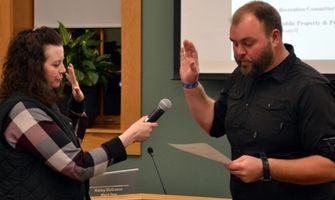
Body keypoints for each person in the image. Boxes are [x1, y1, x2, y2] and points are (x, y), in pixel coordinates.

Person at [180, 1, 335, 199]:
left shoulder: (310, 87)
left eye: (248, 43)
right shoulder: (242, 75)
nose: (239, 52)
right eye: (234, 43)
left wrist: (265, 168)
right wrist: (191, 85)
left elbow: (330, 166)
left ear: (275, 37)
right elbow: (214, 122)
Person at [0, 27, 158, 200]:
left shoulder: (40, 103)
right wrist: (130, 136)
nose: (63, 70)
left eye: (62, 62)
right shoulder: (24, 112)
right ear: (33, 68)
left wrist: (77, 105)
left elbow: (68, 147)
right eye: (55, 64)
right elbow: (78, 166)